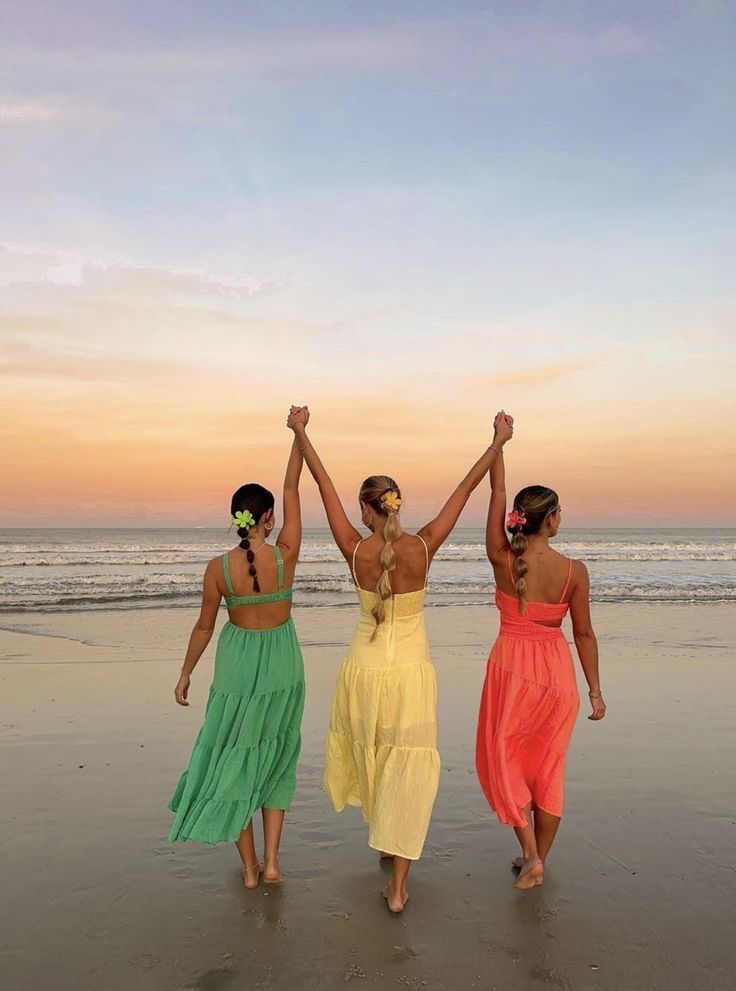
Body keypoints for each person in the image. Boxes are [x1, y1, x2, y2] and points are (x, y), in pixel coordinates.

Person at [286, 404, 505, 913]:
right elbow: (466, 491)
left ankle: (386, 842)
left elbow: (320, 485)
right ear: (396, 505)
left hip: (363, 669)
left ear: (368, 509)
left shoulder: (354, 549)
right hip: (409, 670)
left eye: (361, 508)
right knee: (407, 761)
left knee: (378, 750)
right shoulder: (424, 546)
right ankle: (399, 883)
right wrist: (497, 443)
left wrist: (300, 432)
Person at [168, 433, 306, 890]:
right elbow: (293, 488)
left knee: (233, 757)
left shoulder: (217, 569)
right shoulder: (286, 557)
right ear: (269, 517)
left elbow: (204, 627)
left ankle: (248, 870)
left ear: (238, 519)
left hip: (237, 667)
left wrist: (186, 671)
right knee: (276, 756)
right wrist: (298, 433)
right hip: (282, 665)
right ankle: (271, 863)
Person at [476, 411, 606, 890]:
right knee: (548, 769)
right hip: (556, 677)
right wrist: (594, 692)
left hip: (510, 669)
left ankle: (529, 853)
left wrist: (499, 443)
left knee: (507, 759)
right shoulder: (575, 571)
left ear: (517, 520)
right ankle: (537, 860)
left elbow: (493, 494)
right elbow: (585, 635)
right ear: (551, 521)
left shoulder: (501, 557)